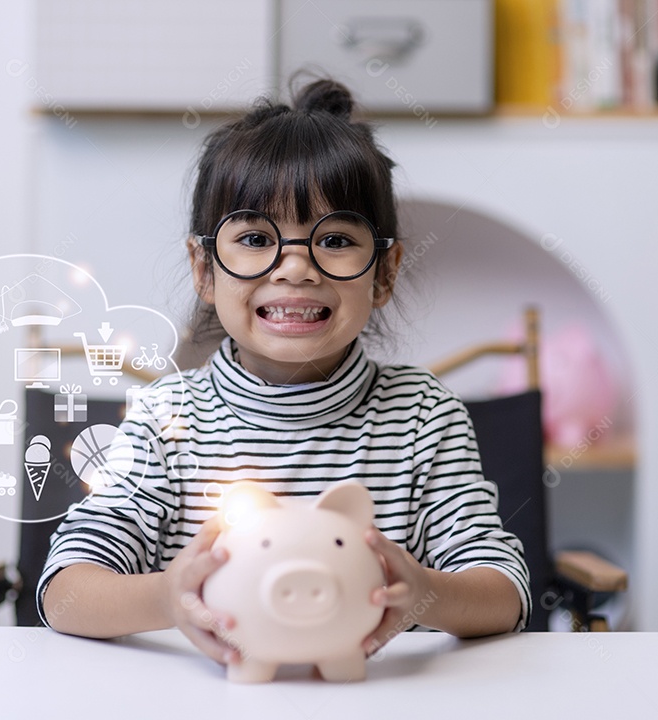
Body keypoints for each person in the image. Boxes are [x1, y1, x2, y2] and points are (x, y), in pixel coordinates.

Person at [38, 79, 530, 665]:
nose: (295, 267)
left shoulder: (425, 416)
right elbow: (65, 593)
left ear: (385, 270)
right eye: (254, 238)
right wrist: (167, 598)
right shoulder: (167, 418)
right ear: (204, 267)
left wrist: (424, 593)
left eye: (336, 239)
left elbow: (505, 591)